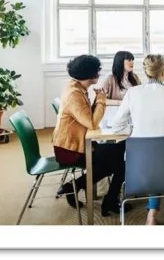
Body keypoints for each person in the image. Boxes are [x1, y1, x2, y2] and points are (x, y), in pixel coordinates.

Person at [110, 54, 164, 225]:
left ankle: (153, 214)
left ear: (146, 71)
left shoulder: (133, 93)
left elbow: (116, 126)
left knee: (154, 157)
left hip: (139, 164)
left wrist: (133, 129)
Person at [53, 54, 128, 216]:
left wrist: (97, 101)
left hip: (76, 142)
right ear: (90, 74)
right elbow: (92, 123)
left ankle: (73, 187)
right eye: (97, 70)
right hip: (70, 149)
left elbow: (87, 117)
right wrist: (101, 99)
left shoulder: (77, 87)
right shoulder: (74, 94)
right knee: (120, 159)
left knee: (120, 154)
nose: (99, 72)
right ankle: (108, 199)